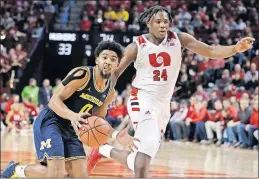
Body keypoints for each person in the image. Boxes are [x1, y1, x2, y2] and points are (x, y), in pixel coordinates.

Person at [87, 5, 255, 178]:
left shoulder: (179, 39)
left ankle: (103, 150)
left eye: (165, 22)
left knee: (140, 158)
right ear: (148, 23)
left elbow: (210, 51)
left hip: (163, 104)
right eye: (158, 22)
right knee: (147, 146)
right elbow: (115, 74)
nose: (162, 25)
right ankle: (131, 130)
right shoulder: (137, 46)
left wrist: (235, 48)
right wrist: (106, 96)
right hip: (142, 98)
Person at [1, 41, 139, 178]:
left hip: (71, 129)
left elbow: (98, 120)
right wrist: (72, 116)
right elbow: (54, 100)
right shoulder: (82, 74)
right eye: (105, 57)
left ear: (117, 64)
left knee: (79, 176)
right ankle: (16, 170)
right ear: (97, 60)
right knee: (56, 173)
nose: (108, 62)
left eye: (113, 59)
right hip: (51, 121)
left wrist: (116, 135)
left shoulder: (110, 92)